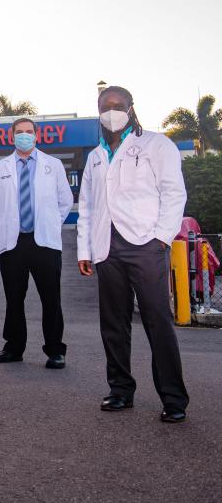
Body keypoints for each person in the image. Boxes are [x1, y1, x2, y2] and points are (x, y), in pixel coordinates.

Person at [77, 86, 188, 423]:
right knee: (113, 324)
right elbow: (87, 206)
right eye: (105, 106)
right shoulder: (95, 156)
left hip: (145, 245)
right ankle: (121, 390)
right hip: (106, 247)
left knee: (158, 321)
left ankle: (173, 398)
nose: (112, 111)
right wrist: (85, 248)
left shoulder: (156, 144)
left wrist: (161, 239)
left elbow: (173, 193)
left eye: (117, 105)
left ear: (131, 108)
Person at [0, 117, 73, 368]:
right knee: (14, 298)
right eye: (19, 132)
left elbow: (65, 200)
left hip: (44, 242)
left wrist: (50, 223)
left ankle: (55, 350)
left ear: (36, 135)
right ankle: (14, 347)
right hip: (14, 242)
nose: (24, 135)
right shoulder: (2, 167)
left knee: (51, 298)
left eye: (28, 132)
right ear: (11, 136)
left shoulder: (53, 165)